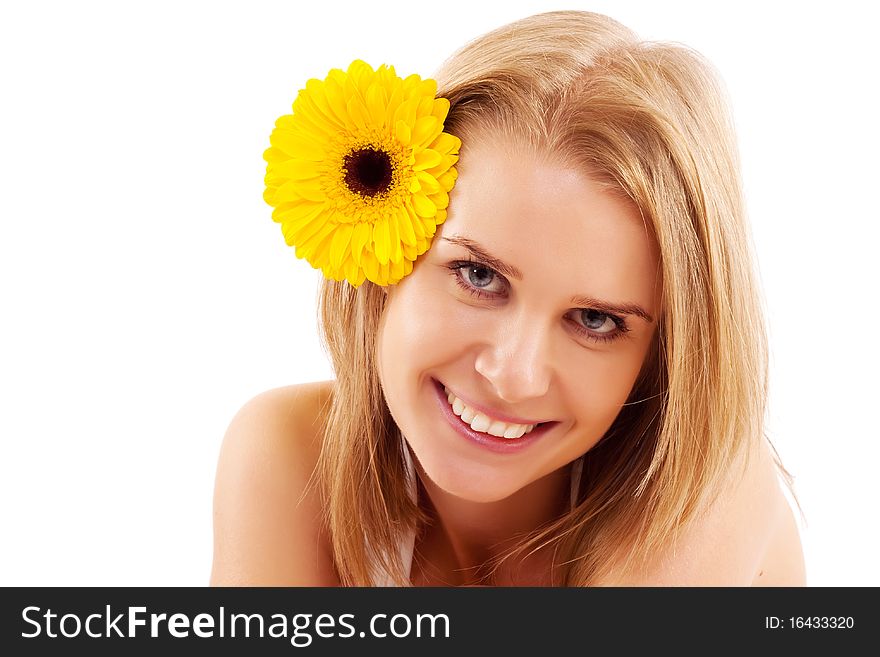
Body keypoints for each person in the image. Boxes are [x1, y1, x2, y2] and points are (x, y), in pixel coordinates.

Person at [210, 10, 806, 586]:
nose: (512, 376)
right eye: (478, 276)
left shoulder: (706, 491)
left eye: (594, 320)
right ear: (384, 254)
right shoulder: (289, 454)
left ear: (665, 352)